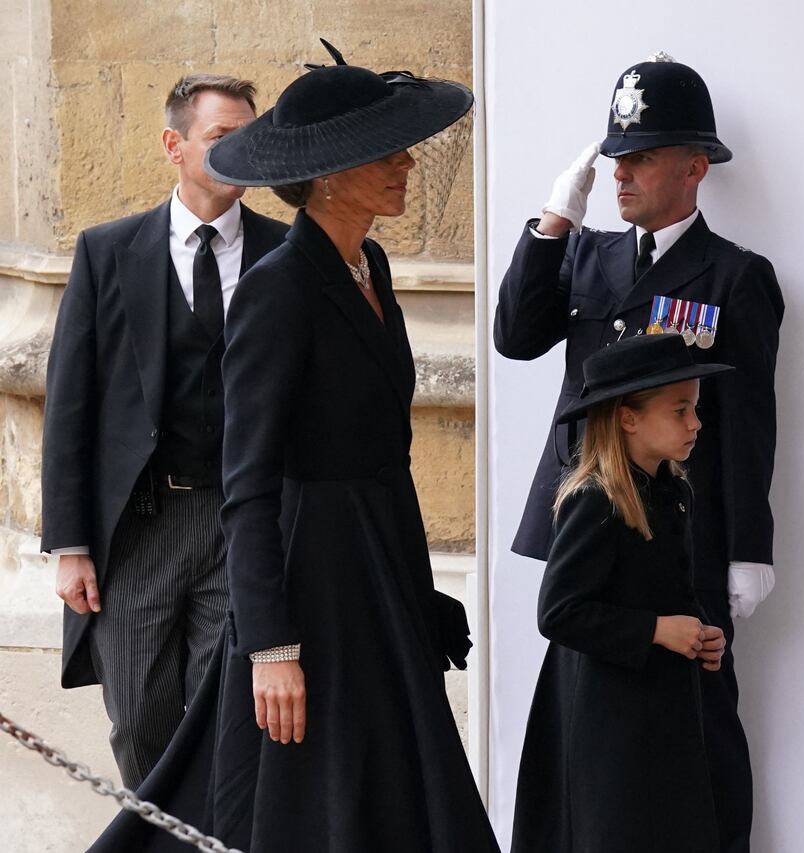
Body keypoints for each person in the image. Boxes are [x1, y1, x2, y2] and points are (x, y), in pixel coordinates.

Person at [89, 43, 498, 852]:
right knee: (303, 801)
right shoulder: (278, 286)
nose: (407, 164)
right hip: (309, 585)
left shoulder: (370, 266)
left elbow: (390, 455)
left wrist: (417, 595)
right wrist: (271, 645)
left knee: (398, 791)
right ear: (333, 172)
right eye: (388, 151)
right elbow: (248, 483)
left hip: (376, 577)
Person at [494, 54, 782, 851]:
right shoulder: (586, 254)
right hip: (587, 523)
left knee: (700, 728)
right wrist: (554, 221)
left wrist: (746, 548)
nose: (621, 173)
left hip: (683, 538)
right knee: (586, 722)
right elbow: (515, 336)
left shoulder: (734, 276)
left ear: (694, 168)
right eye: (615, 156)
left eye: (642, 156)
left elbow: (749, 423)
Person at [40, 74, 288, 788]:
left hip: (241, 519)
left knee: (228, 710)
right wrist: (71, 544)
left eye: (250, 134)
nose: (240, 149)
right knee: (139, 720)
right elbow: (70, 405)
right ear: (173, 146)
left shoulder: (283, 252)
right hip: (139, 527)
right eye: (221, 137)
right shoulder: (106, 252)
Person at [512, 333, 732, 853]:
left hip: (661, 706)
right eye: (680, 410)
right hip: (606, 715)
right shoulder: (597, 500)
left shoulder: (672, 492)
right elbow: (559, 612)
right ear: (628, 418)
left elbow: (672, 585)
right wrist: (656, 630)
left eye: (694, 409)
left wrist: (700, 632)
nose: (695, 423)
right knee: (618, 829)